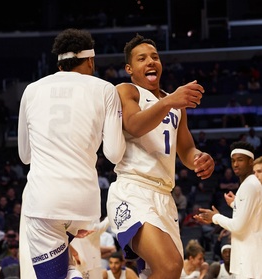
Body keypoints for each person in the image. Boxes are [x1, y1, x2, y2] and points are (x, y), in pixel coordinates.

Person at [17, 28, 125, 279]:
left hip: (44, 201)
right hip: (85, 206)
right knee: (70, 269)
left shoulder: (31, 90)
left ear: (59, 62)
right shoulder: (105, 89)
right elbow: (114, 153)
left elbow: (25, 156)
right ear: (90, 60)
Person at [106, 34, 215, 279]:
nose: (151, 62)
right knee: (170, 266)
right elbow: (133, 124)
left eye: (155, 57)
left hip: (164, 197)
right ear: (129, 68)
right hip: (133, 189)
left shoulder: (175, 103)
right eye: (142, 58)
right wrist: (170, 101)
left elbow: (185, 149)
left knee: (165, 273)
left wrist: (200, 157)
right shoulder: (126, 90)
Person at [194, 141, 262, 279]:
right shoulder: (252, 184)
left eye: (240, 160)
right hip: (251, 255)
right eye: (233, 160)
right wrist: (235, 204)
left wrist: (215, 217)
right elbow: (253, 212)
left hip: (249, 258)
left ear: (250, 162)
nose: (235, 164)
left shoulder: (249, 185)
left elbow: (238, 226)